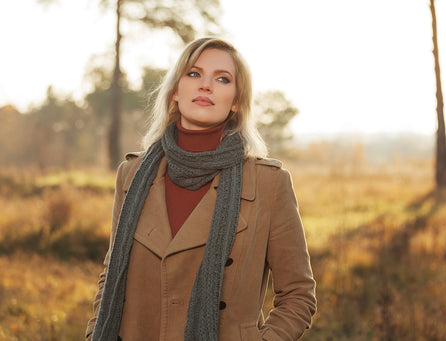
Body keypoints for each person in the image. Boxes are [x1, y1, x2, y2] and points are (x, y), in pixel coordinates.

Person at [86, 37, 316, 341]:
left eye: (222, 79)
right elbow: (111, 277)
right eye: (194, 74)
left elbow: (298, 296)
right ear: (174, 92)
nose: (206, 85)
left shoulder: (268, 183)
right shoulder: (132, 175)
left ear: (236, 102)